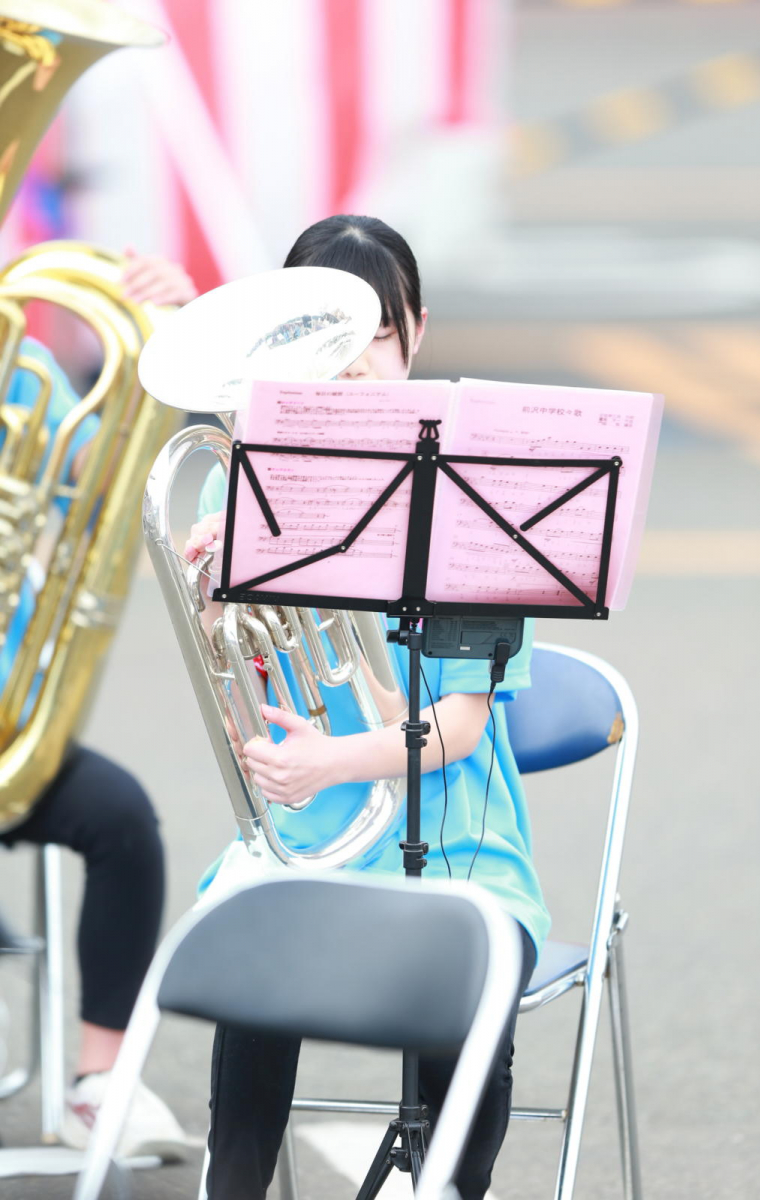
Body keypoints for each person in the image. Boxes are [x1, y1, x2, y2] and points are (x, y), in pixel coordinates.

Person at [186, 215, 552, 1200]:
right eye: (324, 338)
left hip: (464, 856)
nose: (352, 366)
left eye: (375, 337)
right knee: (252, 935)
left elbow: (461, 729)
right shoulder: (258, 503)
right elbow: (252, 733)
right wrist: (223, 607)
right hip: (312, 842)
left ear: (417, 332)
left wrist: (330, 764)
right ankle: (236, 1184)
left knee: (461, 974)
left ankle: (440, 1184)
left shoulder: (482, 499)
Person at [0, 250, 197, 1159]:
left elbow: (122, 476)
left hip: (7, 730)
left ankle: (97, 1080)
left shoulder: (25, 374)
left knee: (122, 820)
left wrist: (176, 336)